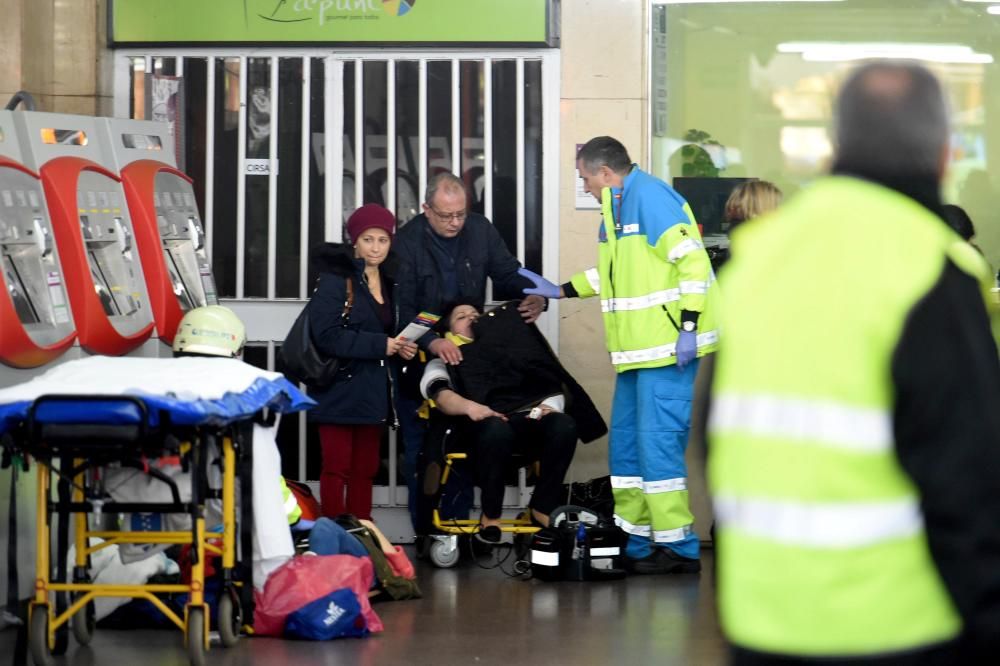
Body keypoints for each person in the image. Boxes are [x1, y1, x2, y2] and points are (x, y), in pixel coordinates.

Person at [705, 62, 1000, 664]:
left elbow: (713, 435)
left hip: (762, 617)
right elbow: (968, 478)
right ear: (944, 156)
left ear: (834, 150)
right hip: (895, 621)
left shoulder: (759, 258)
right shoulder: (933, 266)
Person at [517, 136, 719, 574]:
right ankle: (637, 541)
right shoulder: (617, 207)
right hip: (635, 354)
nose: (585, 185)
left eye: (585, 177)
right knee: (627, 452)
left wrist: (688, 326)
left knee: (657, 450)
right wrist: (561, 290)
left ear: (605, 173)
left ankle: (679, 549)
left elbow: (694, 264)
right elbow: (615, 275)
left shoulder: (651, 200)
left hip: (667, 350)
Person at [393, 172, 546, 530]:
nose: (455, 222)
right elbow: (401, 308)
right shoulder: (407, 242)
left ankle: (460, 528)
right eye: (446, 216)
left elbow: (508, 272)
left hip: (468, 358)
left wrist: (535, 295)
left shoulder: (480, 231)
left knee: (465, 445)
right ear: (426, 209)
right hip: (418, 357)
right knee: (424, 452)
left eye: (461, 214)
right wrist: (432, 341)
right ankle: (430, 532)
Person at [418, 301, 605, 543]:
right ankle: (491, 514)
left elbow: (550, 383)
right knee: (496, 429)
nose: (472, 318)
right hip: (474, 427)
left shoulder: (512, 350)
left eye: (477, 314)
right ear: (450, 330)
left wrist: (548, 407)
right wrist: (473, 408)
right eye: (461, 317)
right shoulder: (442, 360)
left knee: (564, 425)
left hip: (524, 421)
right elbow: (440, 396)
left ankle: (542, 506)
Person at [307, 204, 418, 520]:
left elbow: (387, 330)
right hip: (338, 386)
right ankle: (332, 538)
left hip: (373, 387)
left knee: (365, 469)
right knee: (336, 468)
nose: (376, 247)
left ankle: (362, 539)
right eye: (368, 239)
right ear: (354, 241)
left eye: (382, 240)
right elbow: (326, 335)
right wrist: (381, 344)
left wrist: (400, 347)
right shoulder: (336, 278)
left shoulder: (390, 279)